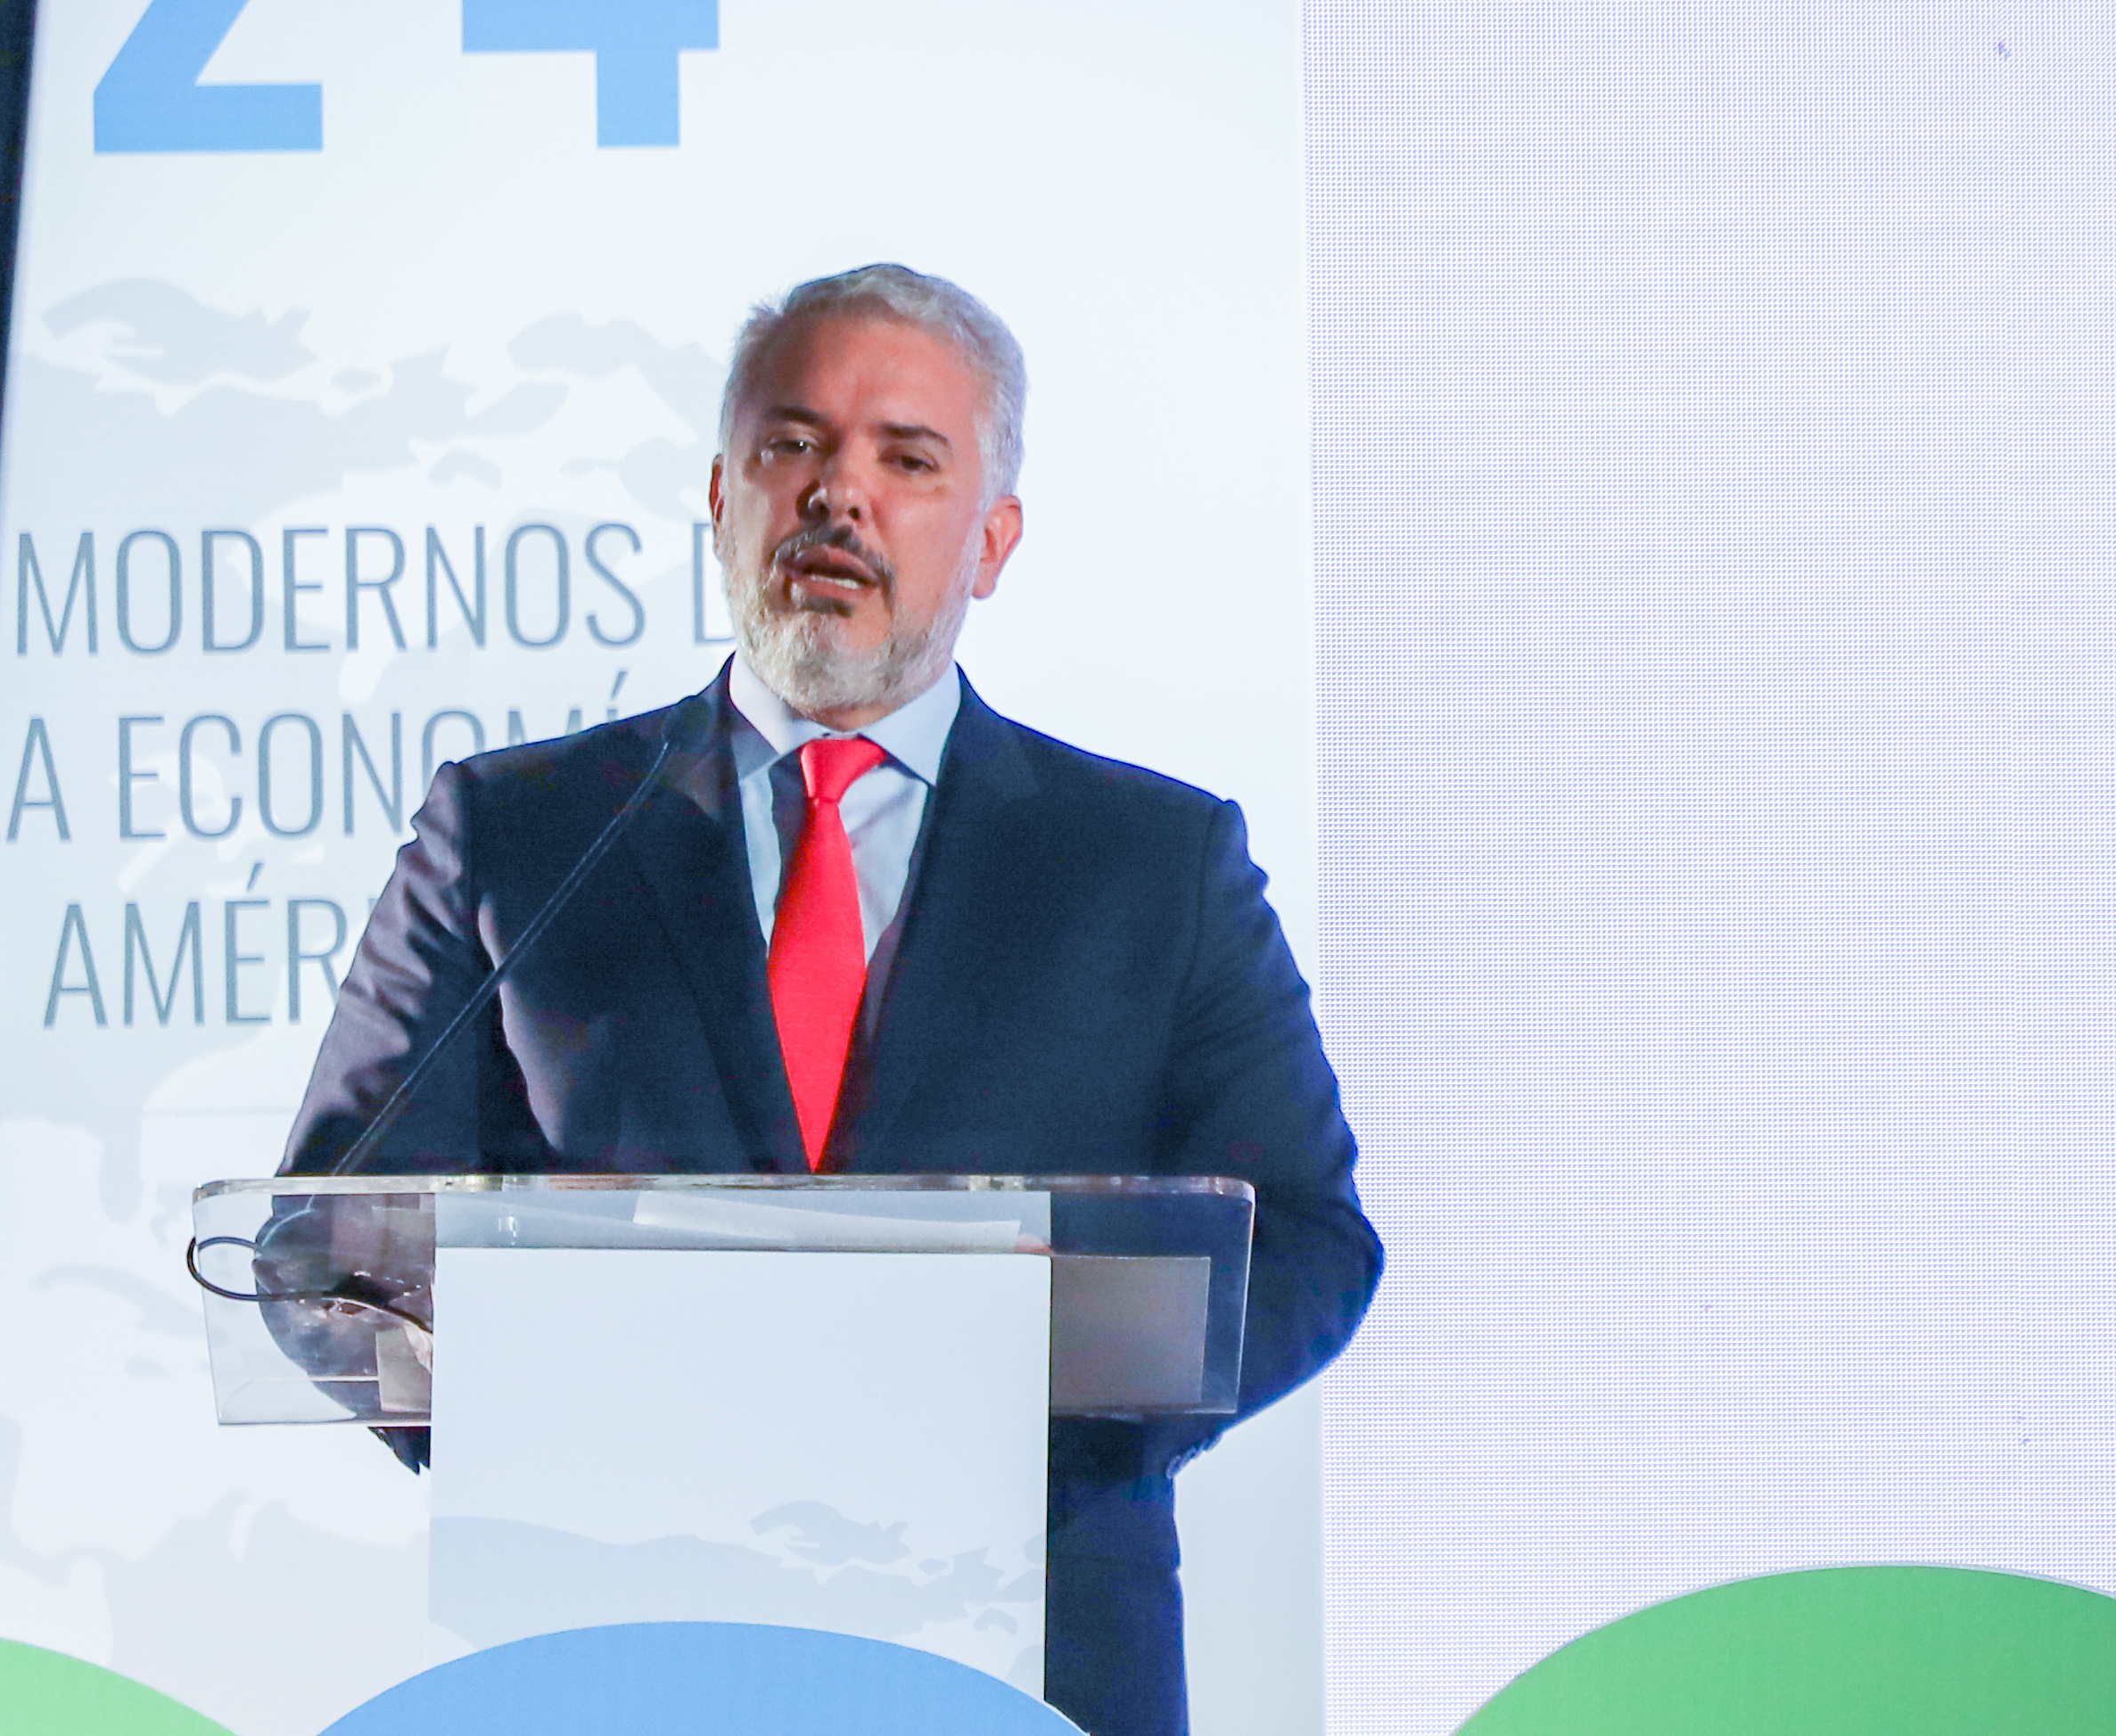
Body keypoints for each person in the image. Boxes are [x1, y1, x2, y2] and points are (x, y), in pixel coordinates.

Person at [278, 263, 1381, 1736]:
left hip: (1031, 1655)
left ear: (993, 541)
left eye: (907, 459)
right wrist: (543, 1455)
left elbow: (1304, 1243)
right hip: (614, 1648)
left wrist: (1032, 1419)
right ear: (719, 497)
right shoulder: (521, 835)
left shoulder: (1153, 862)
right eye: (792, 444)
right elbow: (326, 1244)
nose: (836, 494)